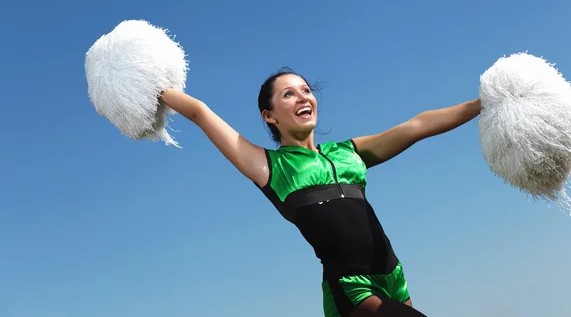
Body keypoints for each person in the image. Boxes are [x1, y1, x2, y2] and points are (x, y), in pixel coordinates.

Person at [159, 67, 482, 317]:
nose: (303, 97)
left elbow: (416, 126)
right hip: (352, 290)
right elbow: (199, 112)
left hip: (394, 275)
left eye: (306, 90)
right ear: (269, 116)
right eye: (288, 94)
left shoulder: (347, 152)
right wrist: (148, 85)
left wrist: (483, 103)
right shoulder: (268, 166)